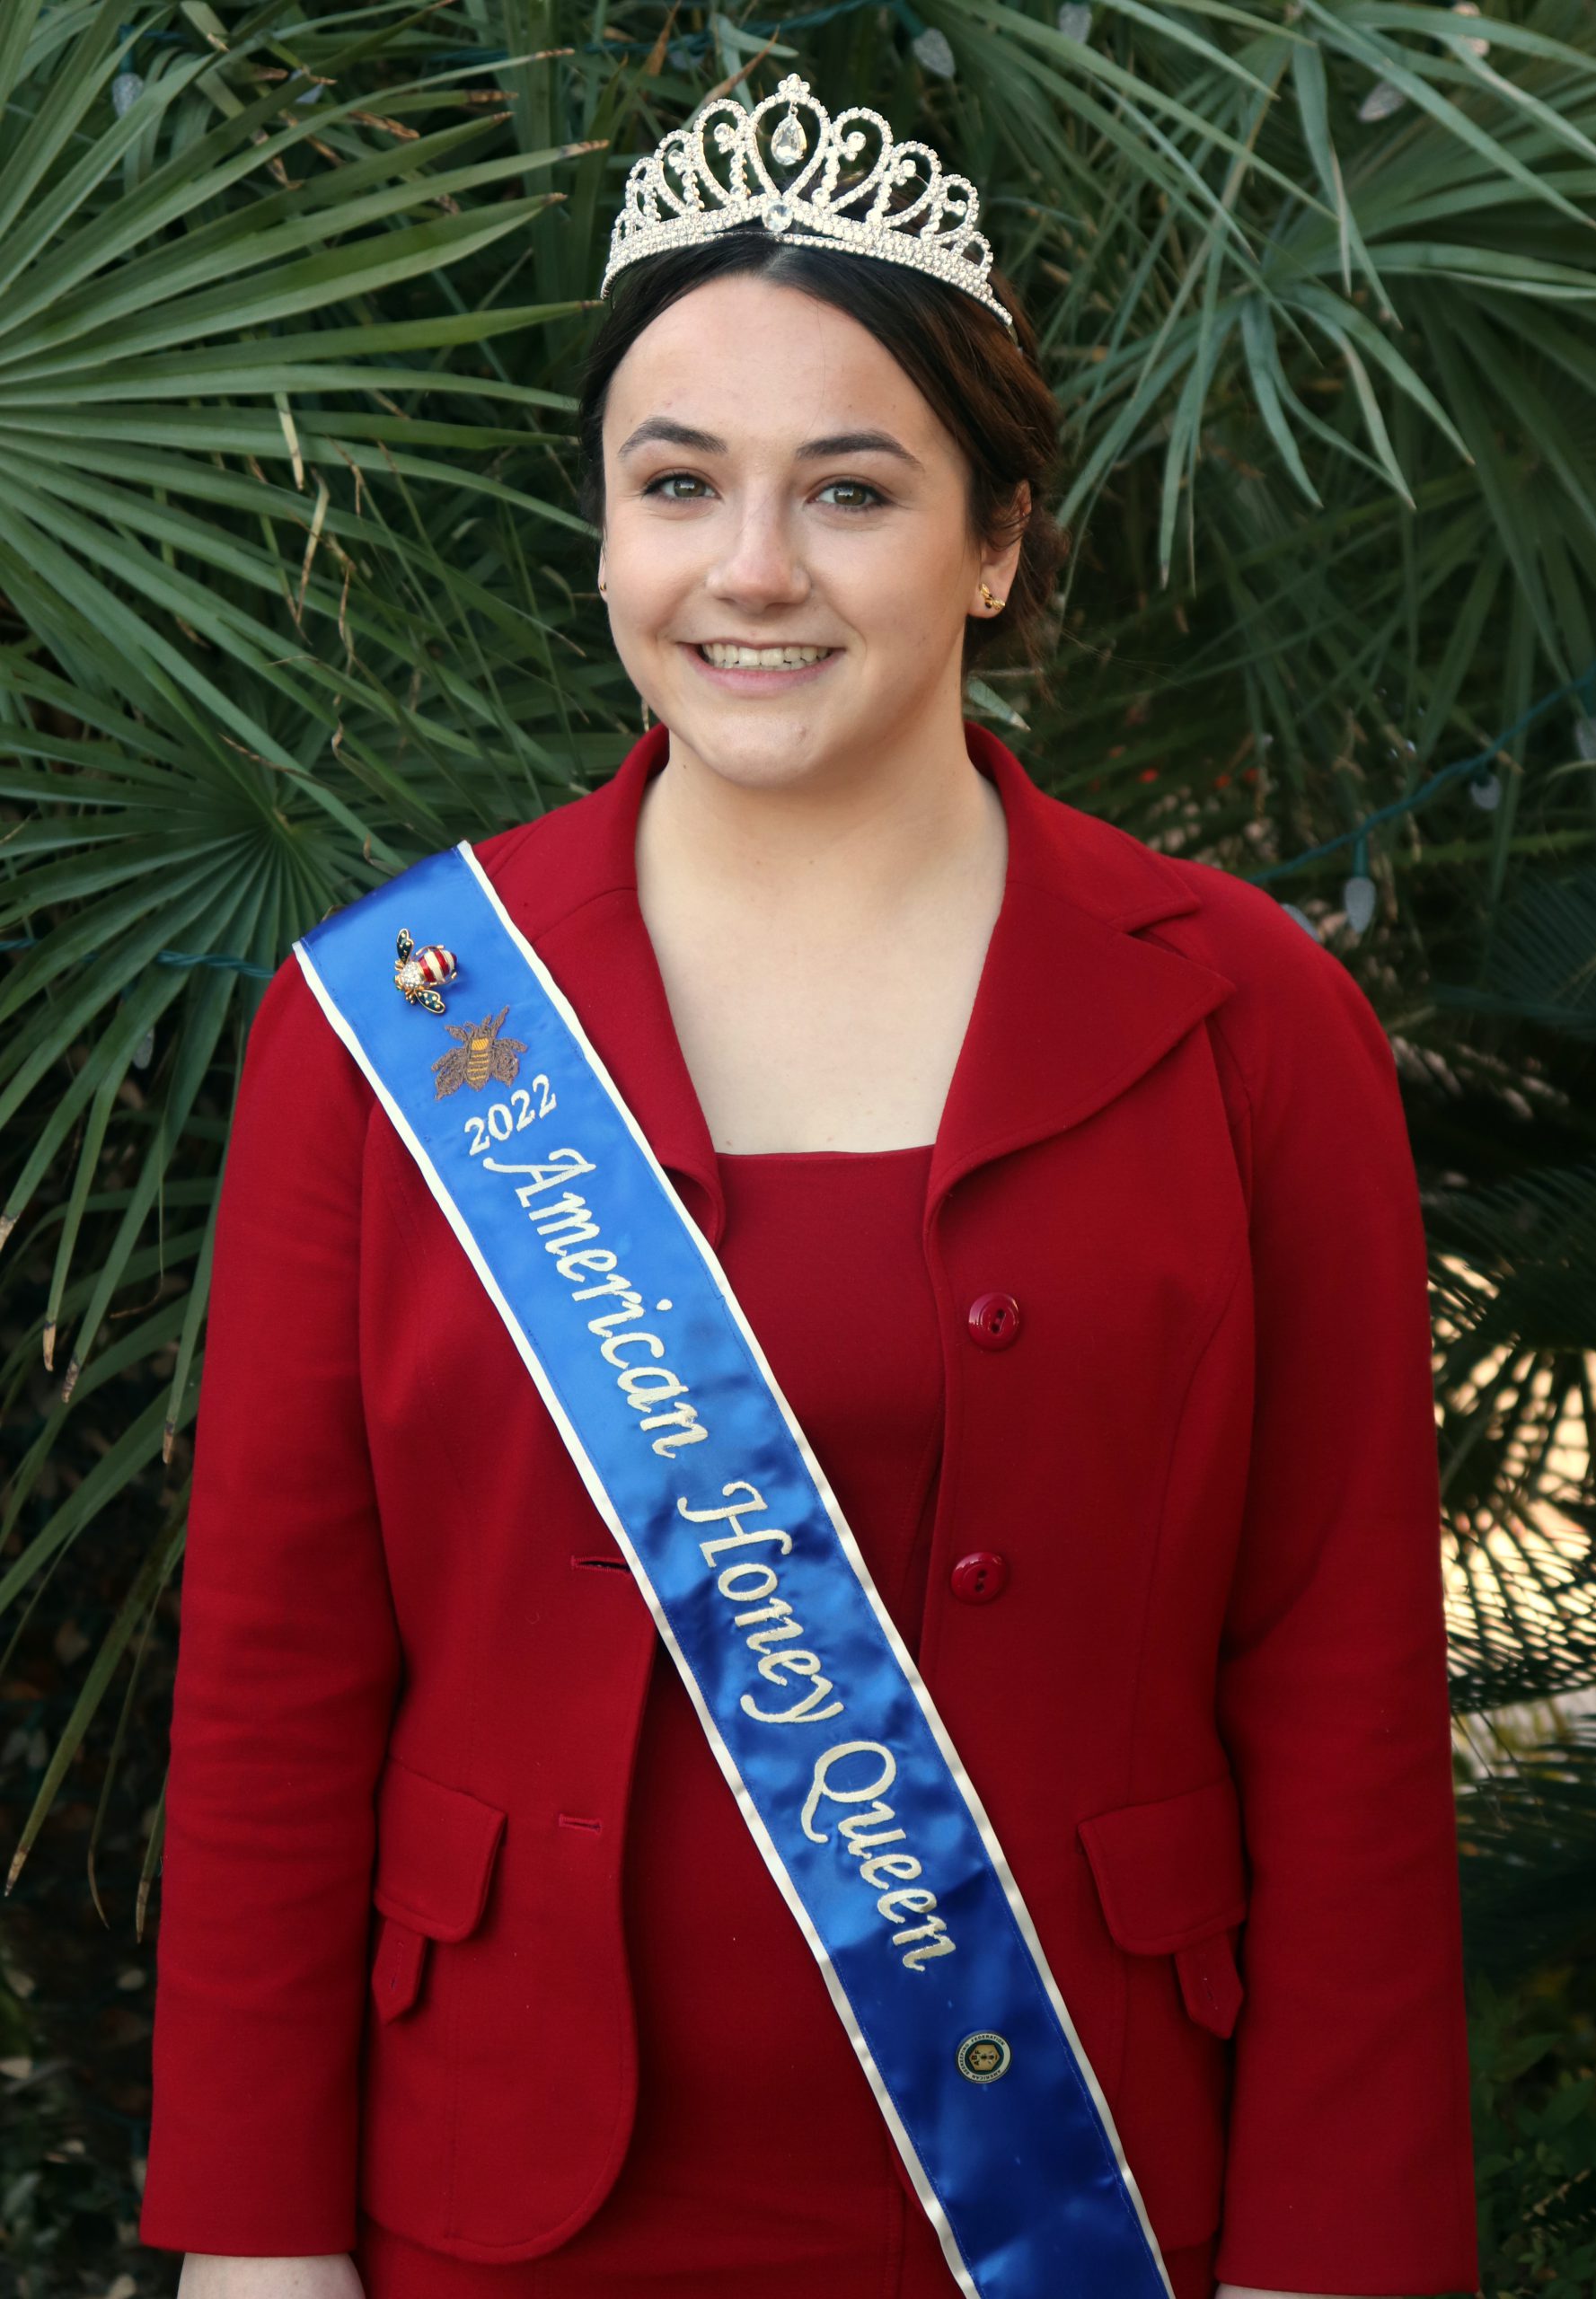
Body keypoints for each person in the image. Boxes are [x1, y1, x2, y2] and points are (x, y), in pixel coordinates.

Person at [138, 75, 1479, 2299]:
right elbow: (280, 1679)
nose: (747, 568)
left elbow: (1339, 1697)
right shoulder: (392, 1019)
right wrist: (254, 2251)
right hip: (491, 2206)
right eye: (678, 485)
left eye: (847, 490)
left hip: (1087, 2193)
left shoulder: (1244, 1022)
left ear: (993, 541)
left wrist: (1329, 2262)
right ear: (601, 528)